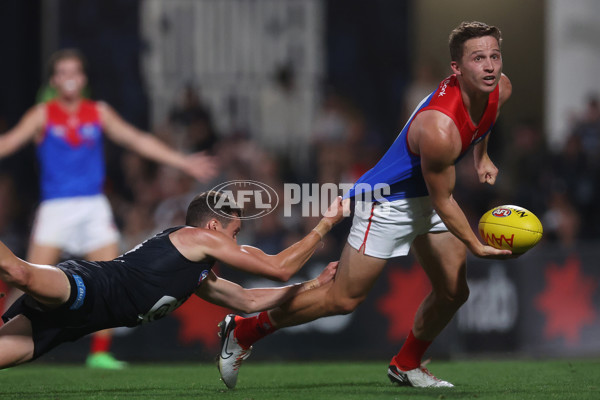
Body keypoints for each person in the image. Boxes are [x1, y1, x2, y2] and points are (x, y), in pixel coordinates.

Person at [217, 21, 517, 389]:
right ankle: (244, 331)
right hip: (388, 202)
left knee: (454, 291)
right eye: (478, 59)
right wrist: (476, 245)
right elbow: (443, 199)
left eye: (494, 56)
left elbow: (485, 121)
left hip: (431, 197)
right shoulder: (439, 128)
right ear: (456, 68)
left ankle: (406, 365)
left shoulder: (499, 88)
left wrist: (481, 158)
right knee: (343, 299)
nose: (489, 66)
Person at [0, 48, 218, 369]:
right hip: (56, 207)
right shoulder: (42, 114)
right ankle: (6, 333)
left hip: (92, 206)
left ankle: (99, 353)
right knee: (25, 278)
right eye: (63, 72)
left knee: (112, 277)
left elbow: (137, 140)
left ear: (83, 78)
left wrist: (182, 161)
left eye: (75, 71)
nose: (70, 77)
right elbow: (7, 143)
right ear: (55, 80)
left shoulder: (98, 112)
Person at [0, 191, 347, 370]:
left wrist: (313, 285)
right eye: (235, 233)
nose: (236, 243)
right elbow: (279, 268)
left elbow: (247, 301)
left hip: (74, 325)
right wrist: (326, 224)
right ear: (213, 227)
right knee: (19, 272)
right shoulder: (196, 238)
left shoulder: (196, 272)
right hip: (89, 287)